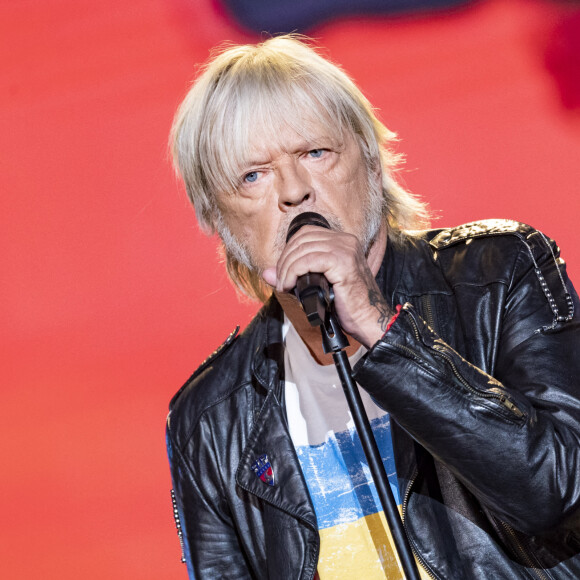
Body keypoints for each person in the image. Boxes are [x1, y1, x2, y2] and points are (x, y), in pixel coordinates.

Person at [165, 35, 580, 579]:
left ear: (371, 159)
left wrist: (384, 334)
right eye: (252, 176)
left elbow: (558, 489)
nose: (294, 192)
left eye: (315, 152)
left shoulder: (497, 274)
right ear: (217, 219)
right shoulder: (211, 418)